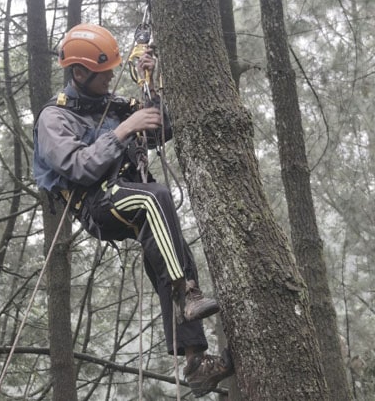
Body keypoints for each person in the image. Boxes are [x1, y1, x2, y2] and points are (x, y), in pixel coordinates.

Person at [33, 23, 233, 396]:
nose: (110, 77)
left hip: (127, 192)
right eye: (104, 72)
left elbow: (160, 129)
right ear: (79, 72)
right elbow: (78, 166)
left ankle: (195, 362)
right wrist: (123, 130)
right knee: (154, 197)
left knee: (169, 250)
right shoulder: (55, 118)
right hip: (96, 203)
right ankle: (188, 294)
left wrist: (148, 84)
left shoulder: (111, 106)